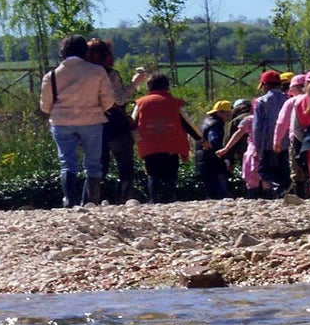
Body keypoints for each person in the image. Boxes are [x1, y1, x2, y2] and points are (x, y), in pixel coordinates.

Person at [39, 34, 114, 207]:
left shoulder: (51, 75)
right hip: (91, 120)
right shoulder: (97, 71)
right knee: (93, 163)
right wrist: (98, 109)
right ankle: (90, 201)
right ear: (84, 51)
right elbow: (108, 100)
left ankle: (69, 200)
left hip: (61, 122)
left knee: (67, 162)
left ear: (62, 51)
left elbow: (45, 105)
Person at [85, 39, 147, 204]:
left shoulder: (83, 75)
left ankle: (89, 201)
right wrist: (135, 83)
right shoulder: (110, 74)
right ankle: (124, 200)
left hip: (92, 124)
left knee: (97, 168)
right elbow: (119, 99)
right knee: (125, 166)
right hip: (115, 124)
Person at [132, 74, 203, 203]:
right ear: (167, 86)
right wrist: (200, 138)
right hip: (171, 144)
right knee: (170, 174)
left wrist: (133, 141)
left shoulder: (141, 103)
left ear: (149, 87)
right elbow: (188, 123)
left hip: (149, 145)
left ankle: (154, 200)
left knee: (152, 174)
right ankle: (171, 199)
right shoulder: (175, 103)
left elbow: (132, 123)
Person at [249, 70, 290, 198]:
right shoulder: (288, 99)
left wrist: (257, 147)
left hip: (267, 143)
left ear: (265, 85)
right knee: (283, 170)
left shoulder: (261, 101)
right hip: (285, 142)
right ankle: (284, 191)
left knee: (265, 171)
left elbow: (257, 126)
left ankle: (277, 190)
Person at [198, 100, 234, 199]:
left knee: (210, 192)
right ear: (219, 112)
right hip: (212, 161)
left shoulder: (206, 122)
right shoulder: (216, 125)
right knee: (219, 192)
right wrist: (224, 156)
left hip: (204, 160)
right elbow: (214, 141)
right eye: (228, 113)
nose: (230, 115)